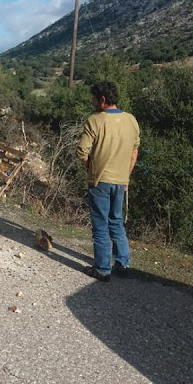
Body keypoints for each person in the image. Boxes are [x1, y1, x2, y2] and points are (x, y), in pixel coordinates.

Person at [76, 81, 140, 282]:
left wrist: (91, 167)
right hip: (121, 181)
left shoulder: (95, 121)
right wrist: (126, 176)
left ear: (102, 100)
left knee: (100, 226)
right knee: (116, 221)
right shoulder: (131, 120)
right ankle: (123, 262)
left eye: (93, 98)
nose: (91, 101)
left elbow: (81, 152)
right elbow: (134, 151)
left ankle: (103, 269)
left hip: (101, 181)